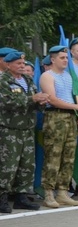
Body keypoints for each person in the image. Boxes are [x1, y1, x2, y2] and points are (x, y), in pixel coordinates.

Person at [39, 45, 78, 208]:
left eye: (67, 58)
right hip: (55, 117)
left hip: (70, 119)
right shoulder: (47, 76)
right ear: (52, 59)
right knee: (53, 155)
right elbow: (52, 99)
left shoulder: (69, 76)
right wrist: (77, 107)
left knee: (68, 156)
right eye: (62, 57)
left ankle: (62, 191)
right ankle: (48, 192)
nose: (66, 60)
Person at [0, 51, 48, 213]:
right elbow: (7, 102)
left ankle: (22, 197)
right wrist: (32, 99)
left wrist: (41, 101)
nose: (22, 66)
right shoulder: (3, 80)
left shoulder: (27, 79)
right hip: (10, 129)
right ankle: (2, 197)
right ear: (8, 65)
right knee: (8, 165)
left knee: (27, 164)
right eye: (18, 63)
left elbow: (35, 98)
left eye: (23, 63)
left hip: (27, 129)